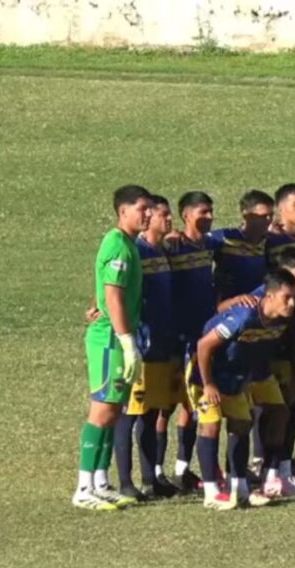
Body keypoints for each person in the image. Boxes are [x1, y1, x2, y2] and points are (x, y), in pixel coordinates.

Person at [187, 270, 295, 509]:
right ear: (269, 296)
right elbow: (204, 345)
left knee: (241, 424)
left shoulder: (281, 318)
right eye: (287, 297)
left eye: (294, 297)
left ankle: (239, 489)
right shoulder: (243, 316)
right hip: (204, 372)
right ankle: (211, 492)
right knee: (211, 424)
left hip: (235, 375)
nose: (292, 303)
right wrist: (208, 385)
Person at [73, 184, 152, 511]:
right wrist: (125, 340)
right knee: (102, 411)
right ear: (123, 211)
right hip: (109, 341)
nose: (147, 214)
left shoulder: (127, 244)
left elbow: (106, 291)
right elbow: (114, 296)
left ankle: (101, 482)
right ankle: (83, 488)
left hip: (116, 336)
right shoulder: (118, 246)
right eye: (142, 209)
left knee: (115, 410)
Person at [217, 247, 295, 497]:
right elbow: (224, 316)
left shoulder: (294, 300)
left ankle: (272, 474)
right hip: (238, 367)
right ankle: (234, 476)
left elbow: (294, 339)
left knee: (280, 412)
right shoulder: (261, 299)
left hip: (263, 366)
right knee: (242, 421)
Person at [113, 196, 180, 500]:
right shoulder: (137, 252)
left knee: (152, 414)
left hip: (163, 342)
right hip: (144, 341)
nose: (169, 220)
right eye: (163, 215)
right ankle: (126, 481)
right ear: (149, 217)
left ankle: (151, 478)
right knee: (130, 414)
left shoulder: (163, 251)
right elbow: (114, 288)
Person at [163, 191, 221, 492]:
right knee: (175, 403)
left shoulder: (210, 243)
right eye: (202, 212)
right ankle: (163, 471)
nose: (209, 217)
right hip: (182, 335)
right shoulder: (173, 245)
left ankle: (182, 468)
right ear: (185, 215)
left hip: (204, 331)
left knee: (189, 403)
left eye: (211, 211)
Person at [210, 190, 275, 302]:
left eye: (271, 215)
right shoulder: (225, 239)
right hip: (230, 308)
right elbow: (196, 242)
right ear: (246, 216)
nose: (269, 220)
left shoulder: (270, 241)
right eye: (263, 216)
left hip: (260, 305)